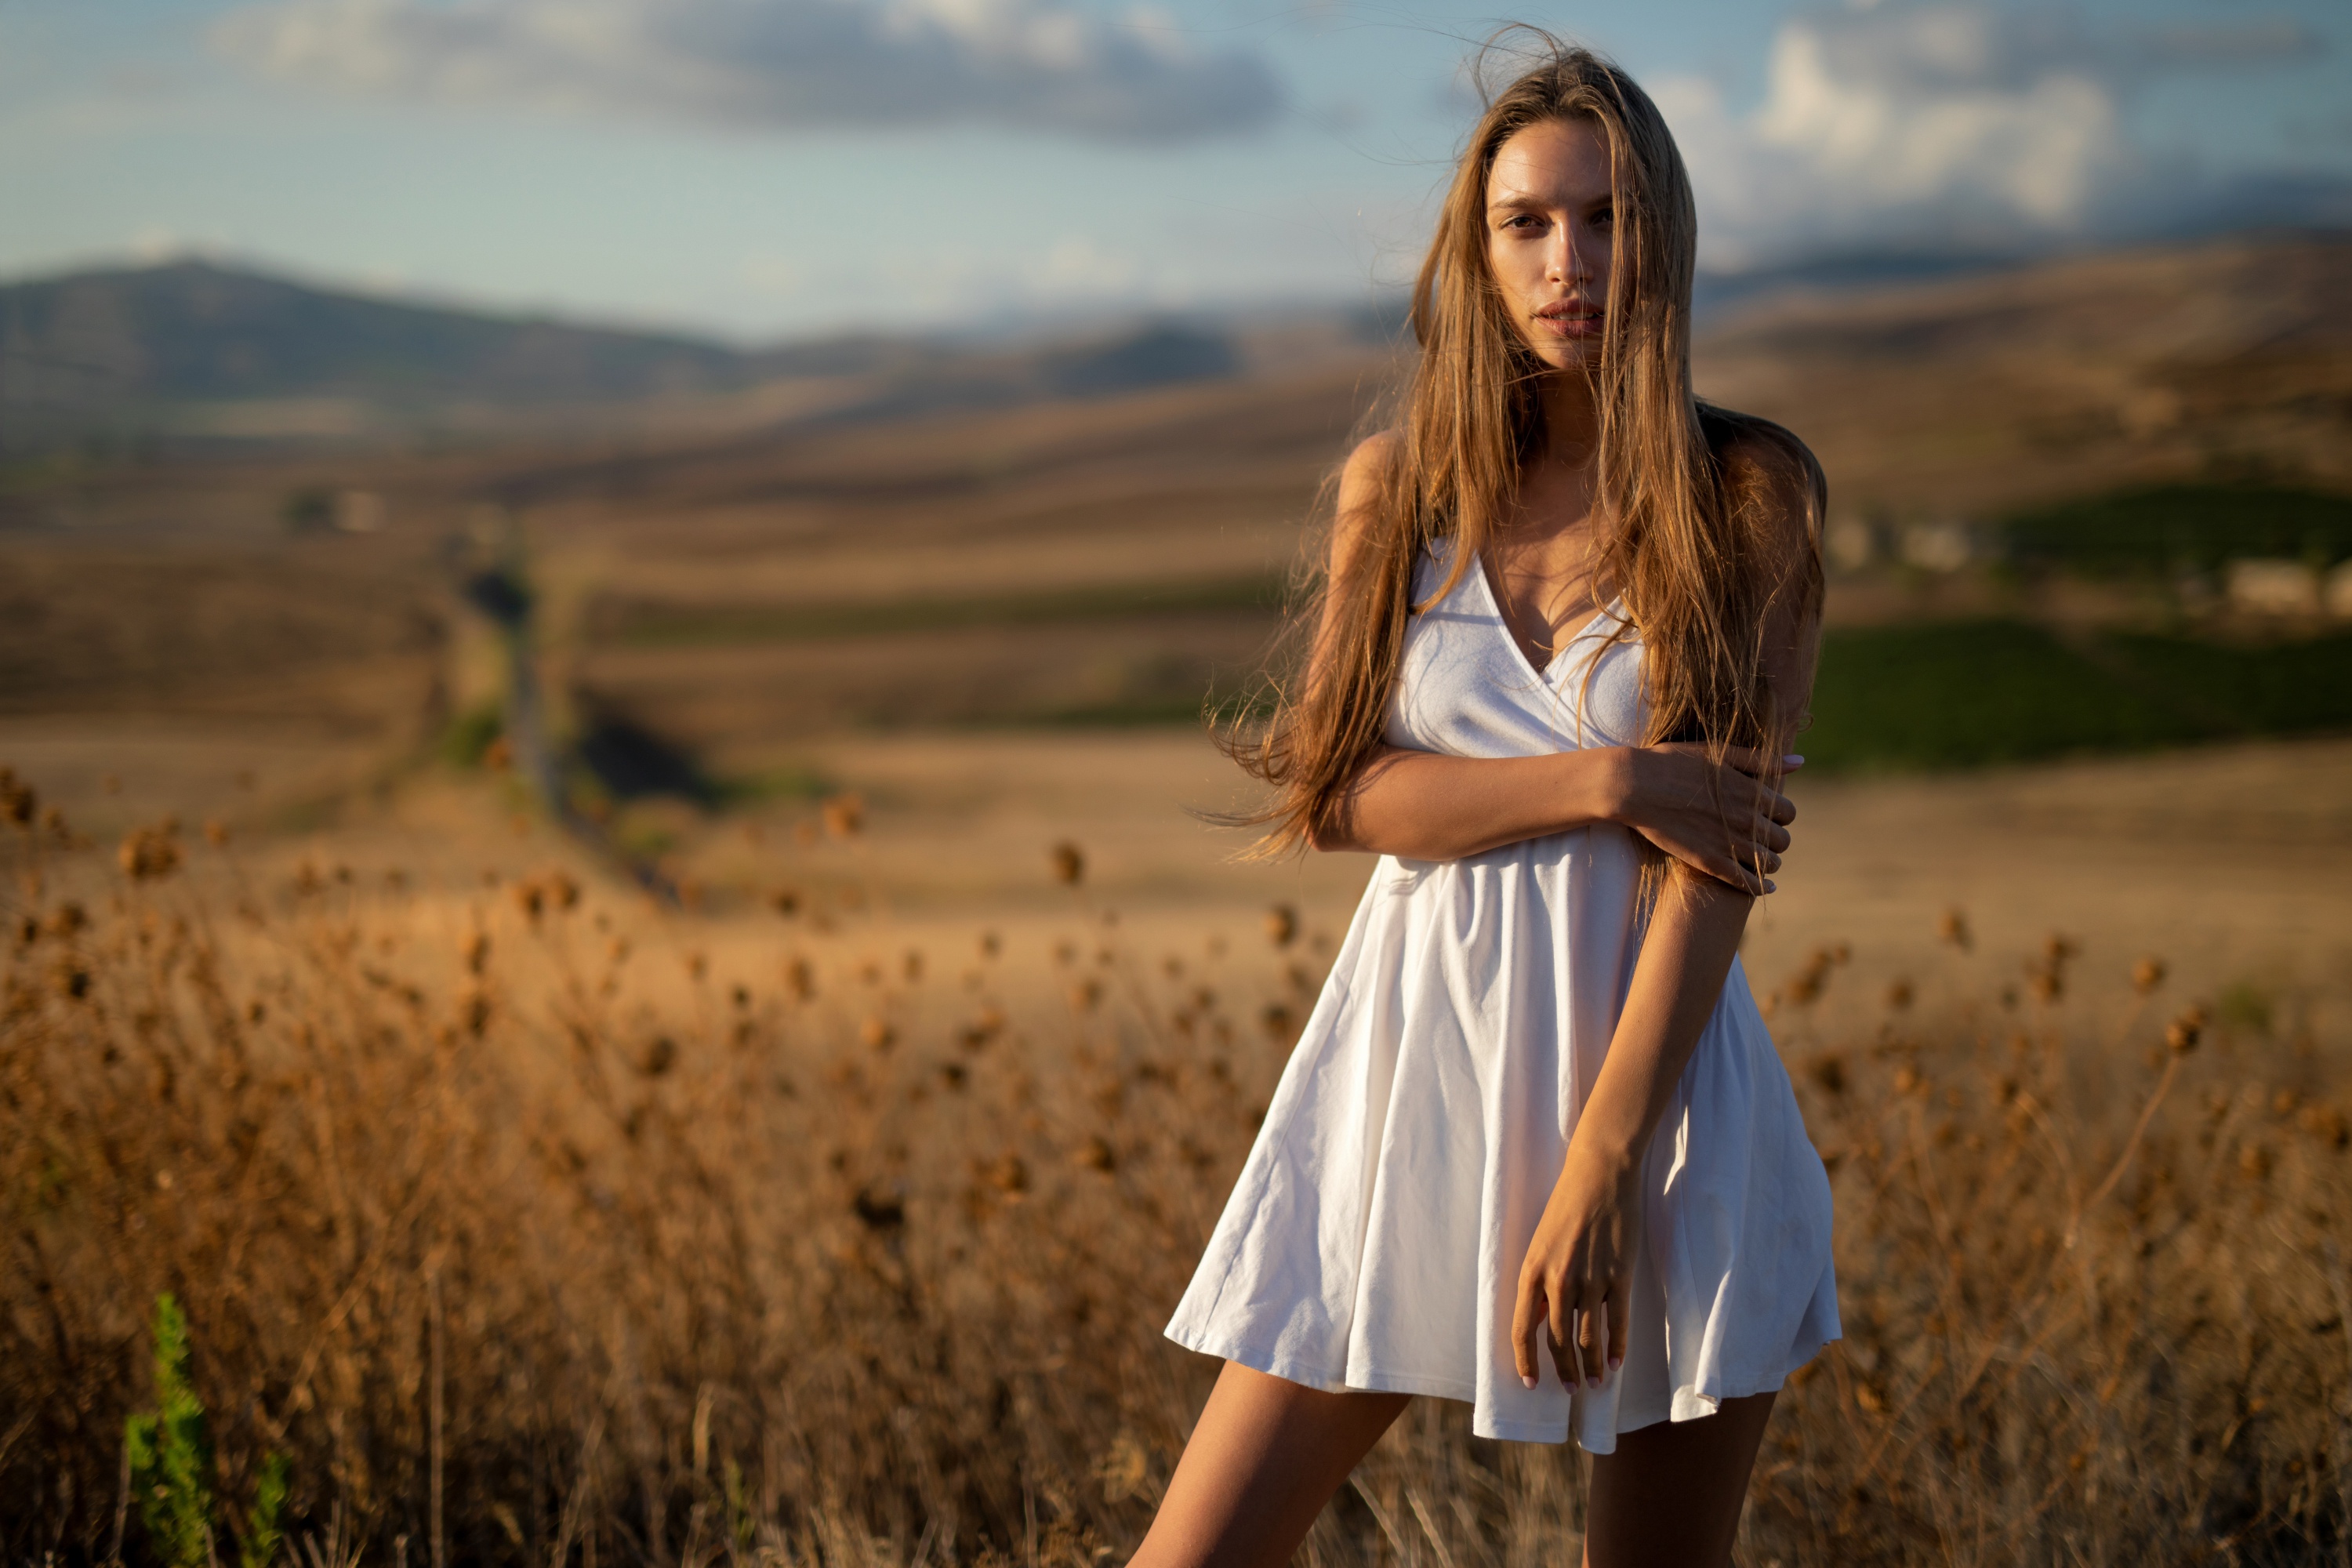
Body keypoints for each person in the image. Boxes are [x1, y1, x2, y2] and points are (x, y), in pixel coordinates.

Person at [1137, 38, 1840, 1568]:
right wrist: (1609, 773)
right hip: (1410, 1086)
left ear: (1663, 237)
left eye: (1605, 217)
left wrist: (1602, 1167)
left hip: (1659, 1125)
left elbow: (1717, 866)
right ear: (1477, 250)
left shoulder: (1750, 496)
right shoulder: (1401, 486)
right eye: (1528, 222)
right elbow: (1340, 795)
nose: (1567, 260)